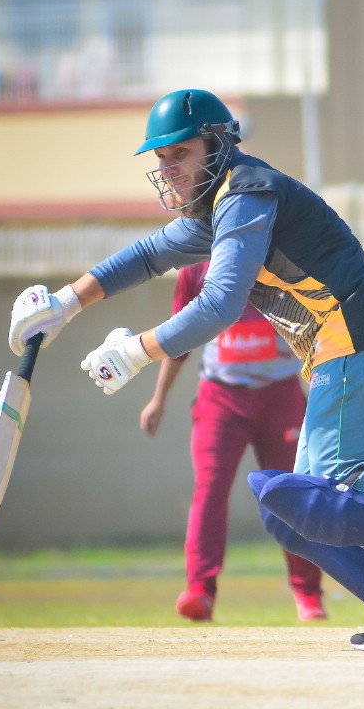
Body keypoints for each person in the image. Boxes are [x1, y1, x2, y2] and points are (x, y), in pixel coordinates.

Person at [7, 88, 364, 651]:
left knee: (334, 483)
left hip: (361, 333)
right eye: (162, 158)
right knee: (296, 512)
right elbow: (144, 257)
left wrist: (137, 351)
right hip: (352, 344)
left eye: (180, 152)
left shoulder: (246, 191)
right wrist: (64, 303)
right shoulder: (218, 209)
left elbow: (220, 303)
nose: (169, 168)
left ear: (218, 144)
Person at [138, 259, 326, 624]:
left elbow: (316, 327)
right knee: (210, 491)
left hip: (280, 395)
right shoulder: (196, 268)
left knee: (292, 492)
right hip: (220, 399)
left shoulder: (283, 259)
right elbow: (178, 336)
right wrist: (158, 398)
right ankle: (200, 592)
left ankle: (308, 592)